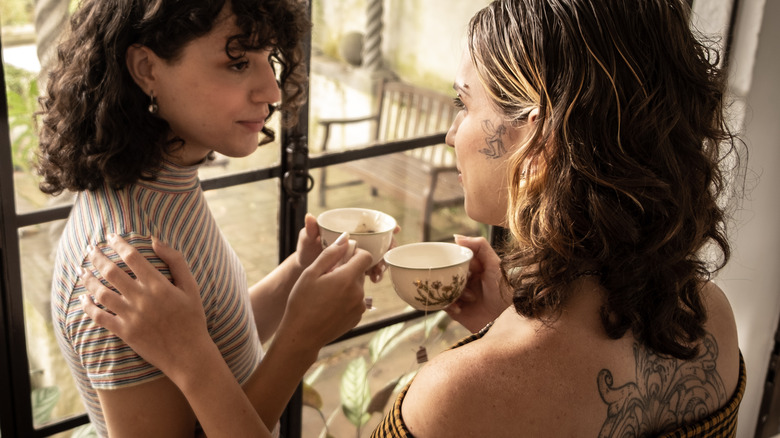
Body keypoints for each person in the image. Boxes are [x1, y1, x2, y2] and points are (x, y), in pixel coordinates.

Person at [80, 0, 747, 436]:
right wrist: (502, 324)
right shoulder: (710, 317)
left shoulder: (456, 398)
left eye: (464, 104)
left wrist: (198, 359)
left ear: (539, 144)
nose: (451, 134)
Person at [36, 0, 377, 437]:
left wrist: (300, 271)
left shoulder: (161, 187)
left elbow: (215, 339)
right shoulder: (130, 259)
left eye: (268, 57)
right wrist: (301, 340)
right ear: (147, 69)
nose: (272, 91)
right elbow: (194, 357)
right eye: (237, 62)